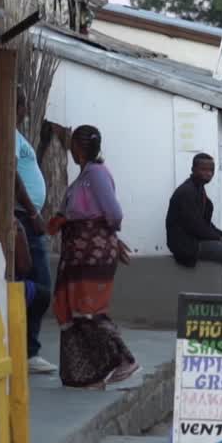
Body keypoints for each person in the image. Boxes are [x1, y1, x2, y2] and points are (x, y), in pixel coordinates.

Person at [49, 125, 140, 390]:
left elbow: (113, 213)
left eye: (74, 145)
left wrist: (109, 237)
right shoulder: (83, 177)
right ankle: (87, 374)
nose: (71, 149)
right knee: (71, 312)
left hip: (92, 254)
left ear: (79, 147)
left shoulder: (97, 175)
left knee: (89, 311)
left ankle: (124, 359)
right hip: (76, 254)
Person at [14, 108, 56, 374]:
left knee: (33, 286)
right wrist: (32, 212)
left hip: (29, 218)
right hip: (23, 219)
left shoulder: (17, 135)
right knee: (39, 287)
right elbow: (13, 176)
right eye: (21, 102)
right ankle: (28, 351)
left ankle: (26, 348)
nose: (26, 109)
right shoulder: (8, 133)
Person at [166, 153, 222, 293]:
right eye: (203, 169)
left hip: (196, 239)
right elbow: (196, 227)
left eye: (211, 170)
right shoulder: (186, 192)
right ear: (193, 169)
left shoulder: (199, 190)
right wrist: (221, 238)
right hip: (187, 245)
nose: (208, 174)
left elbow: (205, 224)